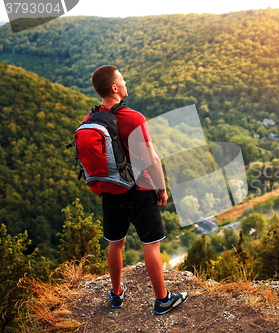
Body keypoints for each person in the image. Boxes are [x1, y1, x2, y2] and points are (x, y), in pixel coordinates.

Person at [85, 65, 188, 314]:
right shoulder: (134, 118)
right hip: (139, 190)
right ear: (114, 88)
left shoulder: (89, 120)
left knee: (115, 243)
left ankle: (117, 294)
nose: (125, 82)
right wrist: (162, 188)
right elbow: (151, 157)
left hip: (110, 190)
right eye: (122, 79)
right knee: (150, 244)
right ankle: (162, 300)